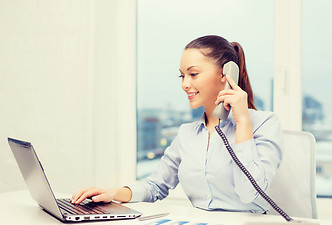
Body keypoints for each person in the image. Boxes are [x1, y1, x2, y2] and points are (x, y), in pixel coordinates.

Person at [71, 35, 282, 213]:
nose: (184, 84)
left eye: (193, 74)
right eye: (182, 76)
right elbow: (155, 186)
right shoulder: (187, 134)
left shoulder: (264, 124)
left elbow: (249, 193)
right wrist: (112, 193)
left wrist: (242, 120)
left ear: (226, 74)